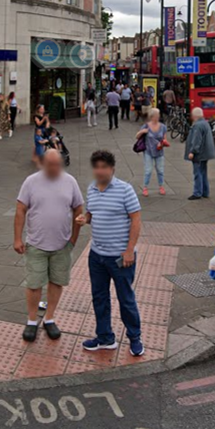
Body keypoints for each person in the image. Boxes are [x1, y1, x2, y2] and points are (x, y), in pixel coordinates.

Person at [73, 150, 144, 356]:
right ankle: (105, 338)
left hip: (120, 257)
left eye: (104, 167)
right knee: (99, 297)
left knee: (126, 299)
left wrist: (130, 250)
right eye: (97, 167)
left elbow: (136, 219)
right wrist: (84, 220)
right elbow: (92, 214)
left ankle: (135, 337)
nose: (100, 171)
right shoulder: (92, 189)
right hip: (97, 255)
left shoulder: (125, 190)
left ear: (112, 169)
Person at [13, 148, 84, 342]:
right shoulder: (31, 182)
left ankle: (49, 318)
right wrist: (17, 238)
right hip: (36, 244)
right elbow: (20, 210)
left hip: (62, 244)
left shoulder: (70, 182)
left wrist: (73, 239)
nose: (54, 168)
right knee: (34, 284)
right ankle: (31, 321)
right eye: (51, 164)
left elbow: (78, 208)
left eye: (57, 164)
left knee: (57, 282)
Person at [185, 107, 215, 200]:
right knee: (203, 172)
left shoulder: (197, 125)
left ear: (194, 116)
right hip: (206, 153)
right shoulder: (205, 123)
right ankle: (205, 192)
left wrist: (192, 151)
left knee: (197, 173)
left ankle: (197, 192)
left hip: (199, 153)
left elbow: (196, 140)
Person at [135, 108, 168, 197]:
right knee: (148, 170)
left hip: (159, 152)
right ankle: (145, 187)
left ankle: (161, 186)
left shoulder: (163, 127)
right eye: (156, 116)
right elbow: (137, 137)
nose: (158, 117)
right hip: (148, 151)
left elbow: (165, 139)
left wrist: (163, 144)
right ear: (152, 117)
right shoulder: (146, 126)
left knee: (160, 170)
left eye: (158, 115)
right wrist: (142, 131)